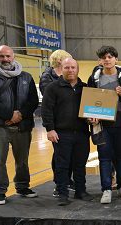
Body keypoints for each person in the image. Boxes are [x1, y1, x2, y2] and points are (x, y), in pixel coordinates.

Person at [87, 45, 121, 204]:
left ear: (116, 59)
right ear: (99, 60)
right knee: (104, 157)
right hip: (102, 125)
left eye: (110, 57)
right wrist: (91, 116)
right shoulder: (94, 78)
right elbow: (89, 101)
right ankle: (106, 189)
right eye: (103, 57)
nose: (107, 60)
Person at [42, 58, 93, 206]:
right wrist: (50, 129)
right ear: (61, 69)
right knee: (62, 165)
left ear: (77, 69)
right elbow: (46, 110)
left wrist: (93, 119)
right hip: (61, 133)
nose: (70, 70)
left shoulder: (85, 88)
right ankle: (62, 193)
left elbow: (91, 109)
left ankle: (80, 191)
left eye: (73, 67)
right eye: (67, 67)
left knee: (80, 164)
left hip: (82, 133)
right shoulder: (52, 88)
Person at [0, 45, 39, 205]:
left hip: (22, 125)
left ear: (13, 57)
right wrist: (9, 115)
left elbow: (33, 101)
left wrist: (20, 114)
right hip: (0, 126)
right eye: (2, 56)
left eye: (8, 56)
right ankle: (0, 191)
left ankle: (22, 186)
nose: (5, 59)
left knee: (22, 159)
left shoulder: (26, 77)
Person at [39, 49, 73, 198]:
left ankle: (67, 181)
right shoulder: (47, 77)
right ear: (60, 60)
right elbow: (49, 103)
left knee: (68, 154)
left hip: (69, 123)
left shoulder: (68, 76)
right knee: (59, 156)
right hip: (56, 123)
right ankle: (59, 183)